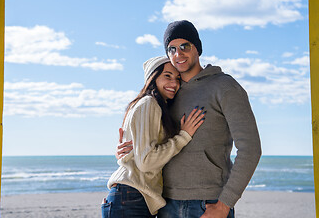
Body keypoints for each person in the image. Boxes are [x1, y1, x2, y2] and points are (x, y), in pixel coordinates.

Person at [116, 20, 262, 218]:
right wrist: (134, 150)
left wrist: (225, 203)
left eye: (185, 46)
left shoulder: (225, 87)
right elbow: (152, 143)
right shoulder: (167, 94)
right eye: (172, 49)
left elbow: (250, 148)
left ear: (197, 48)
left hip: (208, 204)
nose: (178, 54)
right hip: (165, 204)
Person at [102, 55, 206, 217]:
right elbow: (146, 162)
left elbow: (139, 154)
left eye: (177, 78)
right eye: (167, 76)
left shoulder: (151, 105)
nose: (174, 83)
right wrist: (184, 136)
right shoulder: (149, 103)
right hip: (131, 199)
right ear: (152, 77)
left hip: (131, 198)